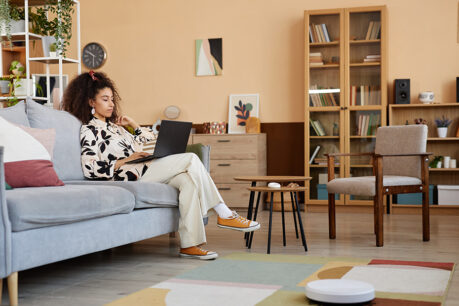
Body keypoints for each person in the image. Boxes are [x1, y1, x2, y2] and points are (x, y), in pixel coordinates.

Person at [62, 71, 260, 260]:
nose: (111, 104)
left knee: (187, 181)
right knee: (190, 158)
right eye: (105, 99)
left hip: (145, 167)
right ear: (91, 102)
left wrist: (135, 125)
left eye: (112, 99)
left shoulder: (118, 128)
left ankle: (190, 245)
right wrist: (124, 161)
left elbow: (150, 141)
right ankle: (224, 213)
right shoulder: (89, 130)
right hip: (129, 175)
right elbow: (90, 168)